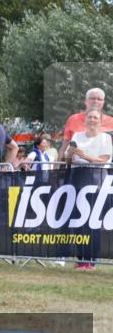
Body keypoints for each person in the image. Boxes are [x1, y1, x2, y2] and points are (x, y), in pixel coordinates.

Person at [63, 108, 112, 269]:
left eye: (95, 117)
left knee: (92, 222)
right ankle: (81, 258)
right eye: (89, 117)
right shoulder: (77, 136)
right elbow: (69, 160)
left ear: (100, 120)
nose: (92, 120)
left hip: (96, 180)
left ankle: (91, 259)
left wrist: (84, 156)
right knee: (78, 221)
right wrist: (69, 154)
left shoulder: (105, 138)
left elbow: (103, 160)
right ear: (85, 120)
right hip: (78, 178)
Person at [60, 88, 113, 159]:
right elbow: (64, 146)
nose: (95, 101)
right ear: (85, 101)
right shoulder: (73, 119)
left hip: (103, 166)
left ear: (103, 102)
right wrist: (57, 166)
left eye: (99, 99)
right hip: (76, 166)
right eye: (92, 98)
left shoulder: (111, 121)